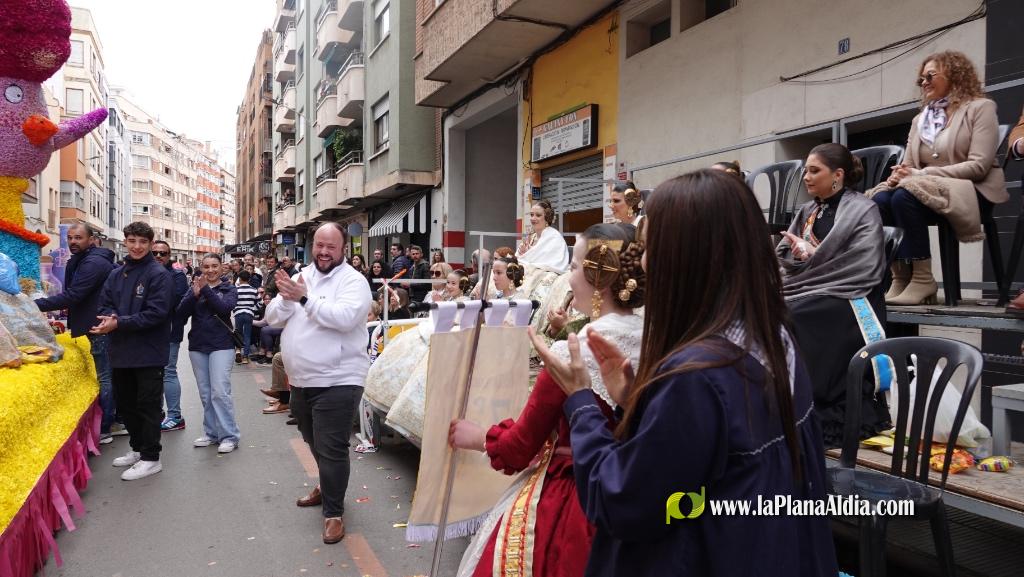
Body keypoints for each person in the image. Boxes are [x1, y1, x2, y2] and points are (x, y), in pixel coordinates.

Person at [531, 170, 837, 576]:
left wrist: (583, 403)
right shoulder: (774, 337)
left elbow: (624, 502)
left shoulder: (697, 376)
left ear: (686, 259)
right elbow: (715, 456)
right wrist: (636, 402)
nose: (642, 263)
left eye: (651, 248)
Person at [450, 222, 645, 577]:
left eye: (574, 267)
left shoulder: (573, 353)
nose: (569, 279)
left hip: (575, 500)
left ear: (599, 278)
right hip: (640, 495)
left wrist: (478, 437)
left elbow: (520, 446)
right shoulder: (657, 341)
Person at [870, 51, 1008, 305]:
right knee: (881, 200)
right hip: (924, 189)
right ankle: (901, 277)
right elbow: (909, 164)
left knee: (903, 196)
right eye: (921, 79)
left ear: (954, 74)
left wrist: (922, 174)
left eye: (930, 76)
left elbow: (979, 166)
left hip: (972, 190)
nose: (924, 83)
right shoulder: (920, 120)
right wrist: (901, 173)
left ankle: (923, 279)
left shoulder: (980, 108)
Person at [265, 221, 372, 544]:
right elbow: (272, 318)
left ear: (343, 249)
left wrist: (304, 299)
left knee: (331, 446)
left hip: (340, 379)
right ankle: (327, 485)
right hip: (301, 380)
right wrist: (288, 298)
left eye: (331, 247)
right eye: (319, 246)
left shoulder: (354, 281)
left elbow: (344, 319)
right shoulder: (302, 275)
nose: (324, 252)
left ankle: (333, 514)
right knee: (312, 438)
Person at [778, 143, 890, 447]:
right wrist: (799, 256)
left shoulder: (864, 209)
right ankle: (787, 404)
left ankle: (821, 408)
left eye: (815, 171)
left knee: (795, 314)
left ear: (838, 175)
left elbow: (864, 264)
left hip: (851, 293)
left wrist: (813, 255)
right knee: (771, 307)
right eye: (805, 170)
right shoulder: (807, 211)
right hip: (810, 286)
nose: (806, 177)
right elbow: (785, 253)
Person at [91, 221, 173, 481]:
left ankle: (151, 457)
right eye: (132, 241)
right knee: (127, 405)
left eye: (143, 242)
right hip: (121, 351)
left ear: (150, 243)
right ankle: (138, 449)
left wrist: (119, 322)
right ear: (125, 241)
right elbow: (104, 304)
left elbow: (156, 313)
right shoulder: (117, 274)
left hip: (149, 353)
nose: (137, 246)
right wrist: (109, 319)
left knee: (148, 405)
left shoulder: (159, 274)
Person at [35, 224, 116, 442]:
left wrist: (35, 304)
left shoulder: (93, 263)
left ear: (91, 240)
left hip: (99, 326)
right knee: (108, 376)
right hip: (96, 324)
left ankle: (106, 427)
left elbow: (74, 295)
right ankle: (113, 421)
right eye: (70, 238)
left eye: (78, 238)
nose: (72, 242)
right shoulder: (83, 260)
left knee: (105, 377)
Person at [177, 254, 242, 454]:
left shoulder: (229, 289)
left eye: (214, 266)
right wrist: (193, 295)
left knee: (220, 392)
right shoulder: (194, 288)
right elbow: (180, 314)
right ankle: (211, 432)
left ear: (222, 268)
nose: (211, 270)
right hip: (198, 346)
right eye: (206, 267)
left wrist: (205, 289)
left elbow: (224, 308)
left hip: (221, 345)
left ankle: (229, 436)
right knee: (206, 394)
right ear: (201, 268)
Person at [150, 241, 190, 433]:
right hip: (148, 331)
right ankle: (157, 414)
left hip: (170, 330)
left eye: (163, 253)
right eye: (155, 253)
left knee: (168, 371)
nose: (158, 256)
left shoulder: (177, 275)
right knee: (152, 373)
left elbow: (175, 302)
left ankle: (175, 416)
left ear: (169, 255)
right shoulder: (146, 272)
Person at [516, 200, 569, 272]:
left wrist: (526, 256)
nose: (533, 218)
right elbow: (518, 258)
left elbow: (552, 264)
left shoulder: (554, 237)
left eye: (538, 215)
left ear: (547, 218)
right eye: (532, 215)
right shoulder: (531, 237)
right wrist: (524, 255)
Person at [233, 270, 259, 365]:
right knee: (247, 335)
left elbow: (232, 302)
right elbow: (260, 302)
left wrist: (235, 309)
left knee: (238, 333)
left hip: (238, 314)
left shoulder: (235, 290)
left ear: (239, 279)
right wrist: (253, 309)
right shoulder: (254, 290)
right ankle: (245, 357)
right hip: (249, 314)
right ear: (249, 279)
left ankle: (238, 351)